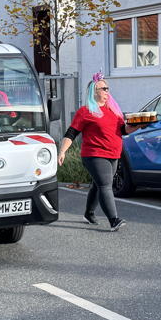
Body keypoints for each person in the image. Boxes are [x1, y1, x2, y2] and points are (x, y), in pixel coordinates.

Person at [58, 73, 127, 231]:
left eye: (108, 88)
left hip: (113, 153)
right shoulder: (85, 111)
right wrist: (62, 151)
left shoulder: (114, 110)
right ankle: (113, 220)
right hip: (94, 154)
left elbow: (123, 130)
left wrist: (137, 126)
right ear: (94, 91)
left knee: (98, 185)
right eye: (104, 88)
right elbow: (71, 133)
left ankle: (89, 213)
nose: (107, 91)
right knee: (105, 185)